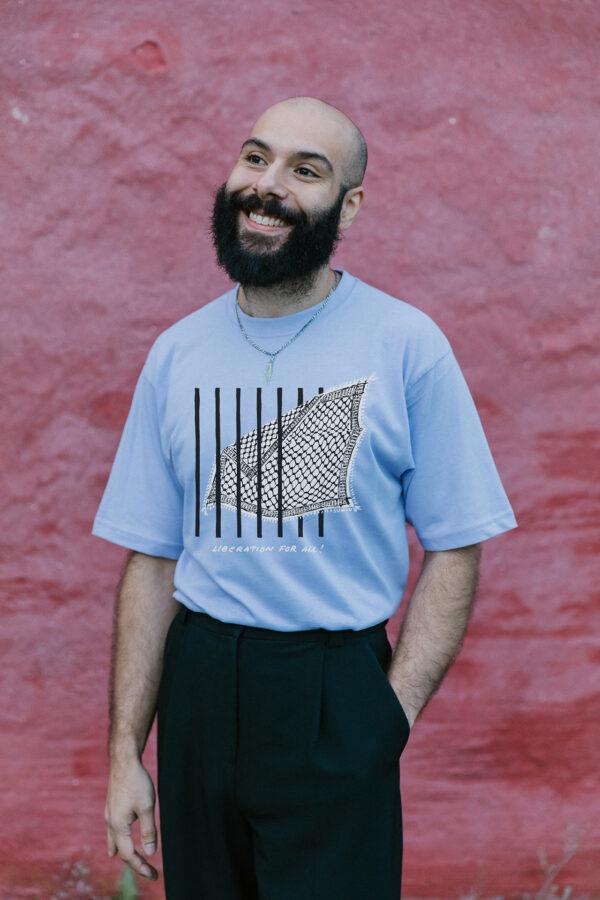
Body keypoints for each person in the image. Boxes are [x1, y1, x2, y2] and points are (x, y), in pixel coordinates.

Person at [93, 96, 516, 900]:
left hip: (334, 692)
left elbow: (457, 543)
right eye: (255, 158)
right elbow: (150, 562)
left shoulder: (406, 345)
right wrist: (125, 754)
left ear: (349, 206)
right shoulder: (176, 352)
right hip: (201, 688)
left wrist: (386, 719)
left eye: (305, 170)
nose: (268, 185)